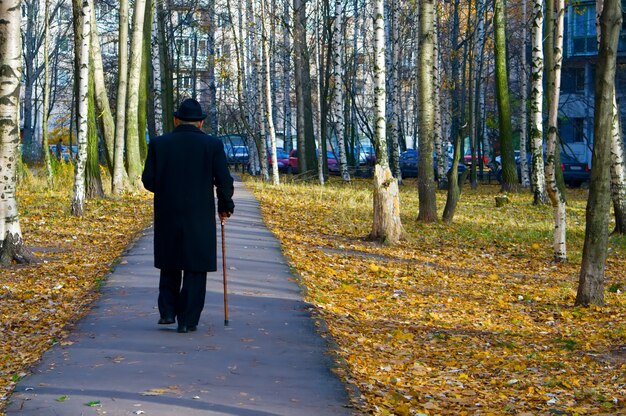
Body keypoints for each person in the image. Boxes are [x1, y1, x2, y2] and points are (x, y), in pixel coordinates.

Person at [142, 98, 235, 333]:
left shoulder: (159, 144)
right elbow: (224, 181)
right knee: (195, 266)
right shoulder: (212, 145)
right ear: (201, 123)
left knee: (170, 261)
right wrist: (225, 205)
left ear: (175, 120)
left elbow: (148, 181)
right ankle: (188, 319)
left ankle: (167, 312)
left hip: (167, 211)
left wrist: (167, 189)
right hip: (199, 214)